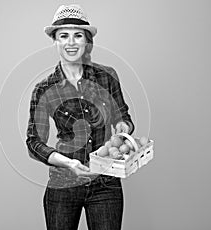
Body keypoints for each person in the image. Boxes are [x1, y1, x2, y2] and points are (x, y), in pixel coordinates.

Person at [26, 4, 134, 230]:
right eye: (63, 36)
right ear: (55, 41)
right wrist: (68, 163)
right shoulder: (44, 89)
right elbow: (34, 142)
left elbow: (122, 116)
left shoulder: (107, 76)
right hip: (63, 183)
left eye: (78, 35)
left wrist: (123, 127)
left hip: (106, 182)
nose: (71, 42)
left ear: (86, 41)